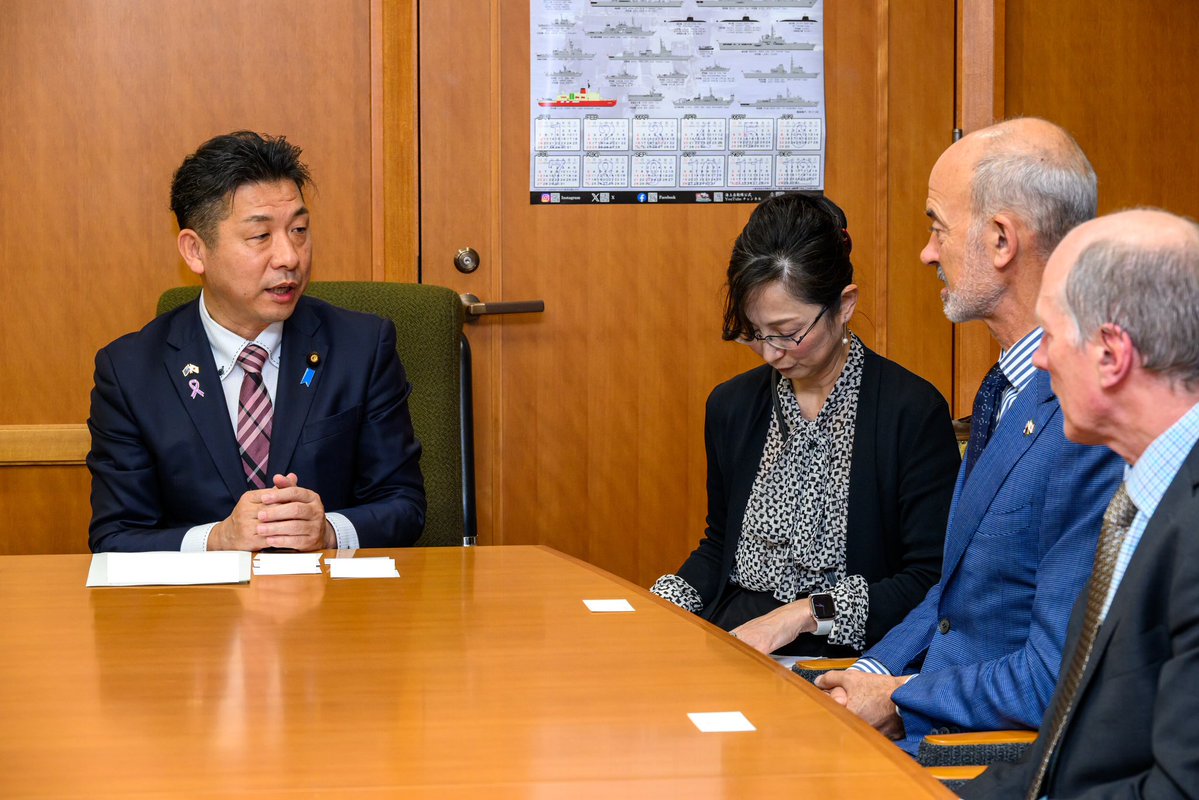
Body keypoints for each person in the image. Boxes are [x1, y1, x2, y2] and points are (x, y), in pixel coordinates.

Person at [815, 118, 1124, 753]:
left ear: (1002, 240)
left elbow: (1052, 679)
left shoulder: (1085, 419)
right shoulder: (1003, 385)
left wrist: (900, 700)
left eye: (937, 228)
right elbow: (954, 593)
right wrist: (867, 676)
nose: (928, 253)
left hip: (978, 756)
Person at [650, 192, 961, 658]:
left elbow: (927, 580)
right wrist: (657, 607)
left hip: (853, 655)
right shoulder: (731, 407)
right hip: (741, 637)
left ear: (845, 304)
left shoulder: (909, 412)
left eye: (789, 333)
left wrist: (803, 614)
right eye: (756, 334)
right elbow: (721, 547)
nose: (772, 353)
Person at [87, 131, 425, 552]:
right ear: (195, 251)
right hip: (198, 611)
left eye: (299, 229)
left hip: (332, 604)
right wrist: (217, 539)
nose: (290, 256)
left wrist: (328, 530)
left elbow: (404, 505)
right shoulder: (130, 372)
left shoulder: (363, 348)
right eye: (261, 237)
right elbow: (115, 538)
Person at [961, 209, 1199, 797]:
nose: (1038, 361)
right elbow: (1059, 757)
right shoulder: (1141, 487)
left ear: (1111, 355)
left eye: (1049, 335)